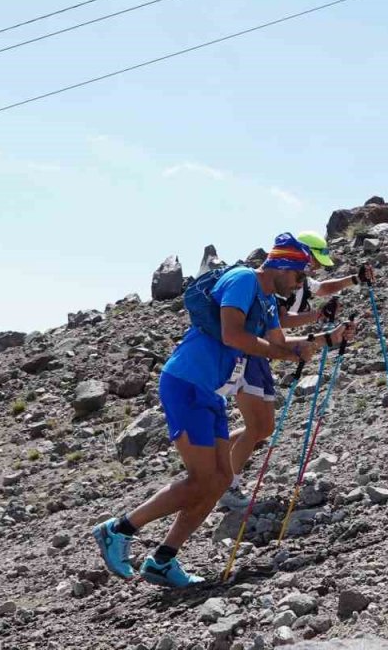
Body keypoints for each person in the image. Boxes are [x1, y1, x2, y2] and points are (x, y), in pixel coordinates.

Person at [92, 234, 354, 588]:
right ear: (284, 266)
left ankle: (163, 560)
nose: (299, 284)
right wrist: (286, 354)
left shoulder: (265, 297)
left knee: (218, 481)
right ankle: (119, 529)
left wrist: (327, 339)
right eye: (298, 275)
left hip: (210, 392)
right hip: (186, 383)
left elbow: (278, 344)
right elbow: (233, 336)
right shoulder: (244, 279)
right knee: (202, 479)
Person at [219, 230, 374, 509]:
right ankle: (227, 486)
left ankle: (213, 451)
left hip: (262, 355)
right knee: (257, 427)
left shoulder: (297, 279)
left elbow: (324, 289)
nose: (312, 269)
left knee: (264, 428)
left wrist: (353, 280)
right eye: (313, 261)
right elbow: (277, 325)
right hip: (251, 354)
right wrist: (316, 323)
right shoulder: (276, 284)